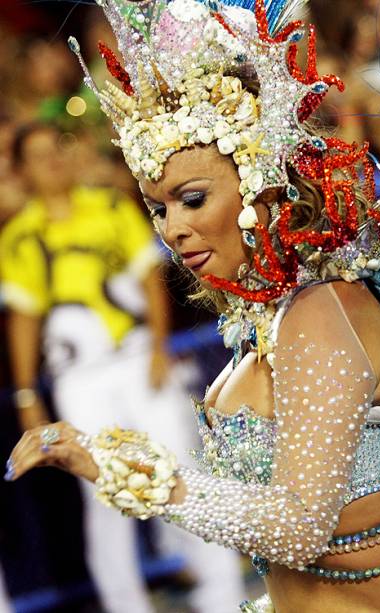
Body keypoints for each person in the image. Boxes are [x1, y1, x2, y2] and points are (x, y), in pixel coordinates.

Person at [6, 0, 380, 611]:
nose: (174, 230)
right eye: (159, 208)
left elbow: (300, 527)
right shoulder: (266, 321)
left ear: (263, 183)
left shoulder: (322, 312)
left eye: (193, 198)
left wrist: (128, 473)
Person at [0, 122, 245, 613]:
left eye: (58, 150)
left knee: (183, 468)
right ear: (23, 171)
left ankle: (224, 599)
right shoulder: (19, 237)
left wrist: (158, 348)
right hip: (80, 380)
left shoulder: (111, 207)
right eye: (40, 156)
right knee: (102, 496)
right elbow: (24, 321)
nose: (53, 162)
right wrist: (28, 397)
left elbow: (150, 279)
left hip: (140, 362)